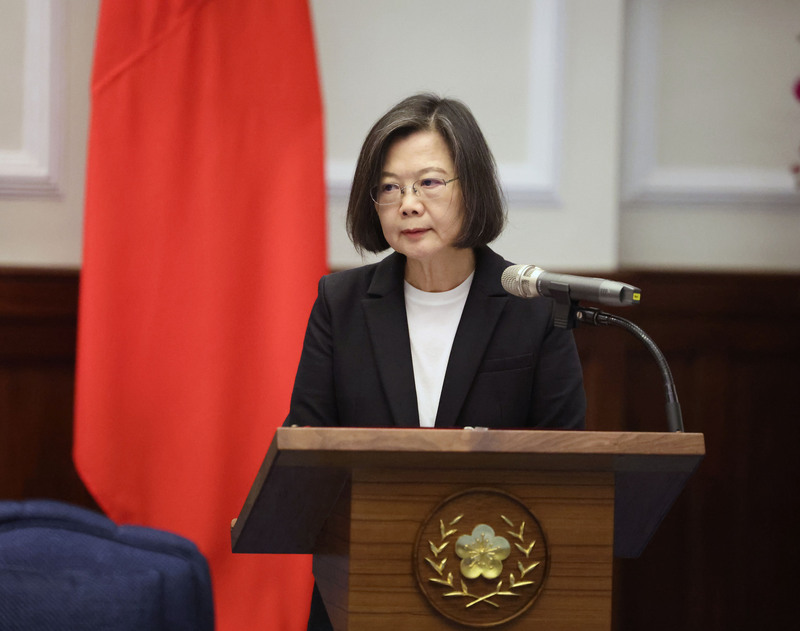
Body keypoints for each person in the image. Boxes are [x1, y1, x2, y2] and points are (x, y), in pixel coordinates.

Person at [283, 93, 586, 630]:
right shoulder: (341, 304)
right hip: (362, 586)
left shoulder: (533, 308)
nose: (409, 203)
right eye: (389, 188)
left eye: (429, 182)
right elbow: (308, 449)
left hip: (498, 588)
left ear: (472, 187)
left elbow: (566, 461)